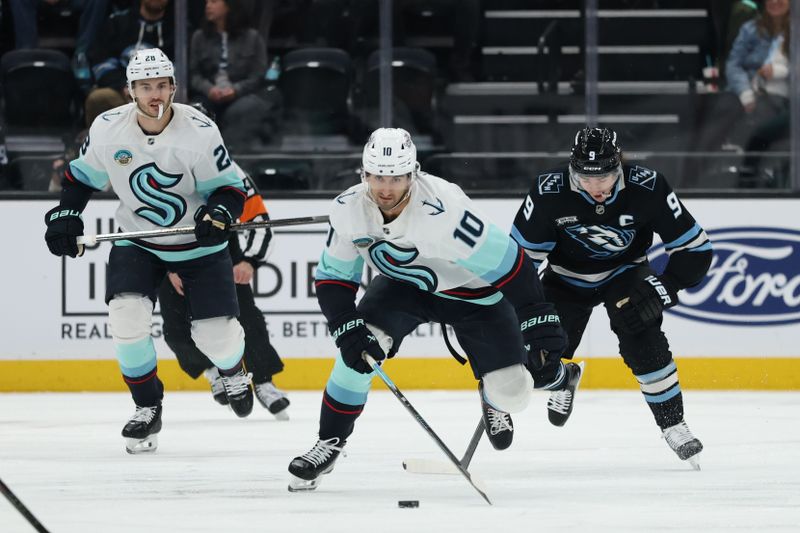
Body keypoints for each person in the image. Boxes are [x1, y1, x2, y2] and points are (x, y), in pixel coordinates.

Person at [287, 127, 580, 492]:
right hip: (403, 289)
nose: (386, 188)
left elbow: (512, 264)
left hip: (474, 296)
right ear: (363, 174)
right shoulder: (348, 209)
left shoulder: (445, 211)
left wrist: (535, 314)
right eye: (378, 176)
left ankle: (556, 380)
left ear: (414, 173)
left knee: (514, 392)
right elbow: (333, 278)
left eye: (396, 177)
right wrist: (345, 323)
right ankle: (328, 442)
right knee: (357, 355)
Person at [43, 48, 251, 454]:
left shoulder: (200, 130)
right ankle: (147, 406)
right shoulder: (108, 129)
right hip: (137, 240)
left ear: (174, 87)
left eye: (161, 85)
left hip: (198, 247)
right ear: (130, 91)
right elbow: (80, 177)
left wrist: (220, 212)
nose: (154, 95)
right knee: (126, 318)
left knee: (216, 338)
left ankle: (233, 368)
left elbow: (230, 188)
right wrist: (66, 214)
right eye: (144, 87)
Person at [510, 127, 713, 468]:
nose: (596, 188)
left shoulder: (648, 186)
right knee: (540, 356)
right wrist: (520, 308)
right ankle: (564, 378)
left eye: (604, 177)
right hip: (564, 279)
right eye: (586, 179)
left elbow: (696, 250)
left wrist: (665, 288)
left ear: (619, 165)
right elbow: (520, 263)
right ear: (572, 169)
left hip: (627, 274)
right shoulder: (549, 191)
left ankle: (673, 424)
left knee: (642, 335)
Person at [159, 158, 290, 420]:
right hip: (170, 252)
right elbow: (145, 222)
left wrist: (249, 260)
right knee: (175, 328)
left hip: (220, 251)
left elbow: (258, 218)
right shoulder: (155, 164)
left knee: (245, 319)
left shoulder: (228, 169)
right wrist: (167, 268)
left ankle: (263, 381)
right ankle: (212, 369)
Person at [189, 0, 276, 151]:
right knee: (196, 110)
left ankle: (235, 157)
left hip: (243, 95)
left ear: (229, 6)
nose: (208, 6)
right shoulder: (199, 37)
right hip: (209, 95)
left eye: (214, 1)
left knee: (242, 110)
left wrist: (235, 90)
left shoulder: (252, 38)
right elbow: (193, 75)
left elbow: (258, 75)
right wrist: (209, 89)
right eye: (207, 2)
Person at [86, 0, 173, 120]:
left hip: (162, 95)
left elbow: (179, 70)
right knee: (98, 98)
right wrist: (125, 86)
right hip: (122, 90)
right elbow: (101, 63)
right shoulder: (117, 22)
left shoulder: (178, 29)